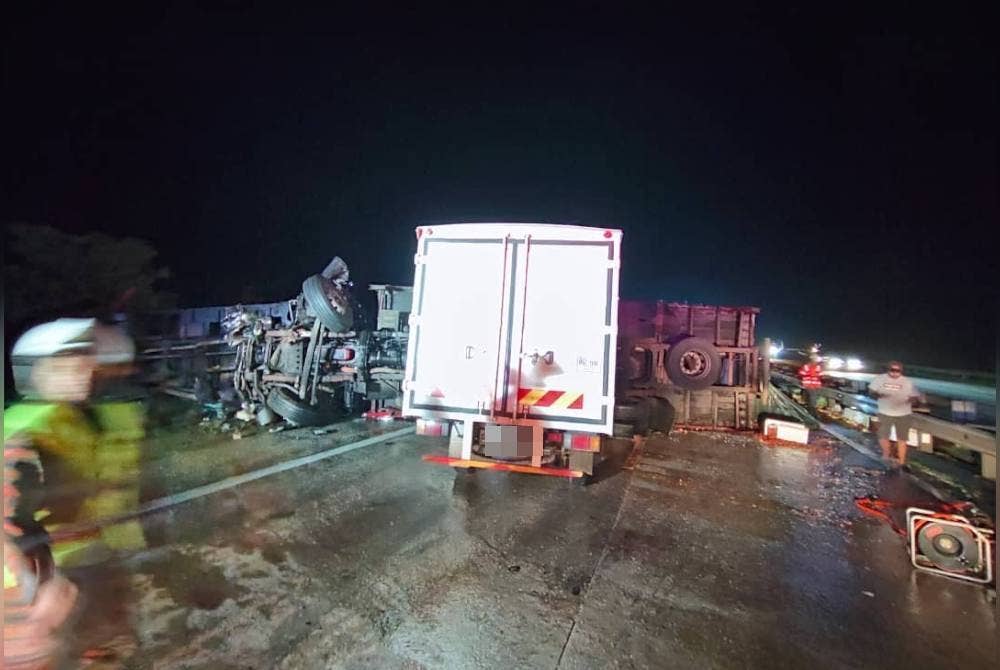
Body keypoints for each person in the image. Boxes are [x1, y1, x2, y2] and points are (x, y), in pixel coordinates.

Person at [868, 361, 923, 467]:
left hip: (903, 414)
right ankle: (886, 454)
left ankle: (901, 461)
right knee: (883, 435)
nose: (895, 373)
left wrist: (912, 401)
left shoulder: (908, 382)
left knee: (902, 438)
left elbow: (916, 398)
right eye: (892, 370)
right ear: (888, 369)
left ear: (901, 371)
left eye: (897, 370)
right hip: (885, 412)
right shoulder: (879, 379)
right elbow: (871, 393)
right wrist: (879, 395)